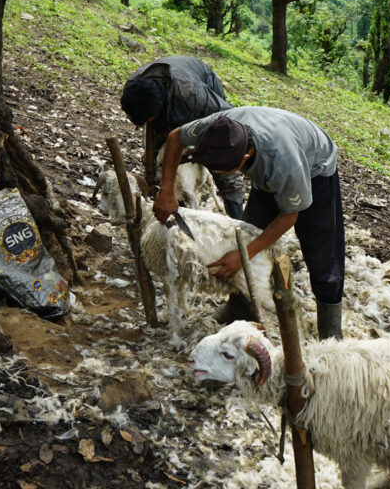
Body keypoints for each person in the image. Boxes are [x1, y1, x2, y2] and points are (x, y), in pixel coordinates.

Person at [152, 107, 345, 339]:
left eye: (224, 170)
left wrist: (244, 255)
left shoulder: (284, 163)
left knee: (322, 255)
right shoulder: (217, 128)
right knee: (245, 234)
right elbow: (175, 137)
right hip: (270, 164)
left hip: (316, 168)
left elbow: (289, 216)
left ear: (243, 159)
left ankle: (331, 332)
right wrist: (166, 190)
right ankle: (239, 308)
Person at [120, 55, 245, 218]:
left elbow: (229, 122)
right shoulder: (134, 88)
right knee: (158, 157)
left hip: (202, 89)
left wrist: (202, 147)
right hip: (167, 98)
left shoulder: (194, 95)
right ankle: (169, 201)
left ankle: (236, 214)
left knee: (221, 160)